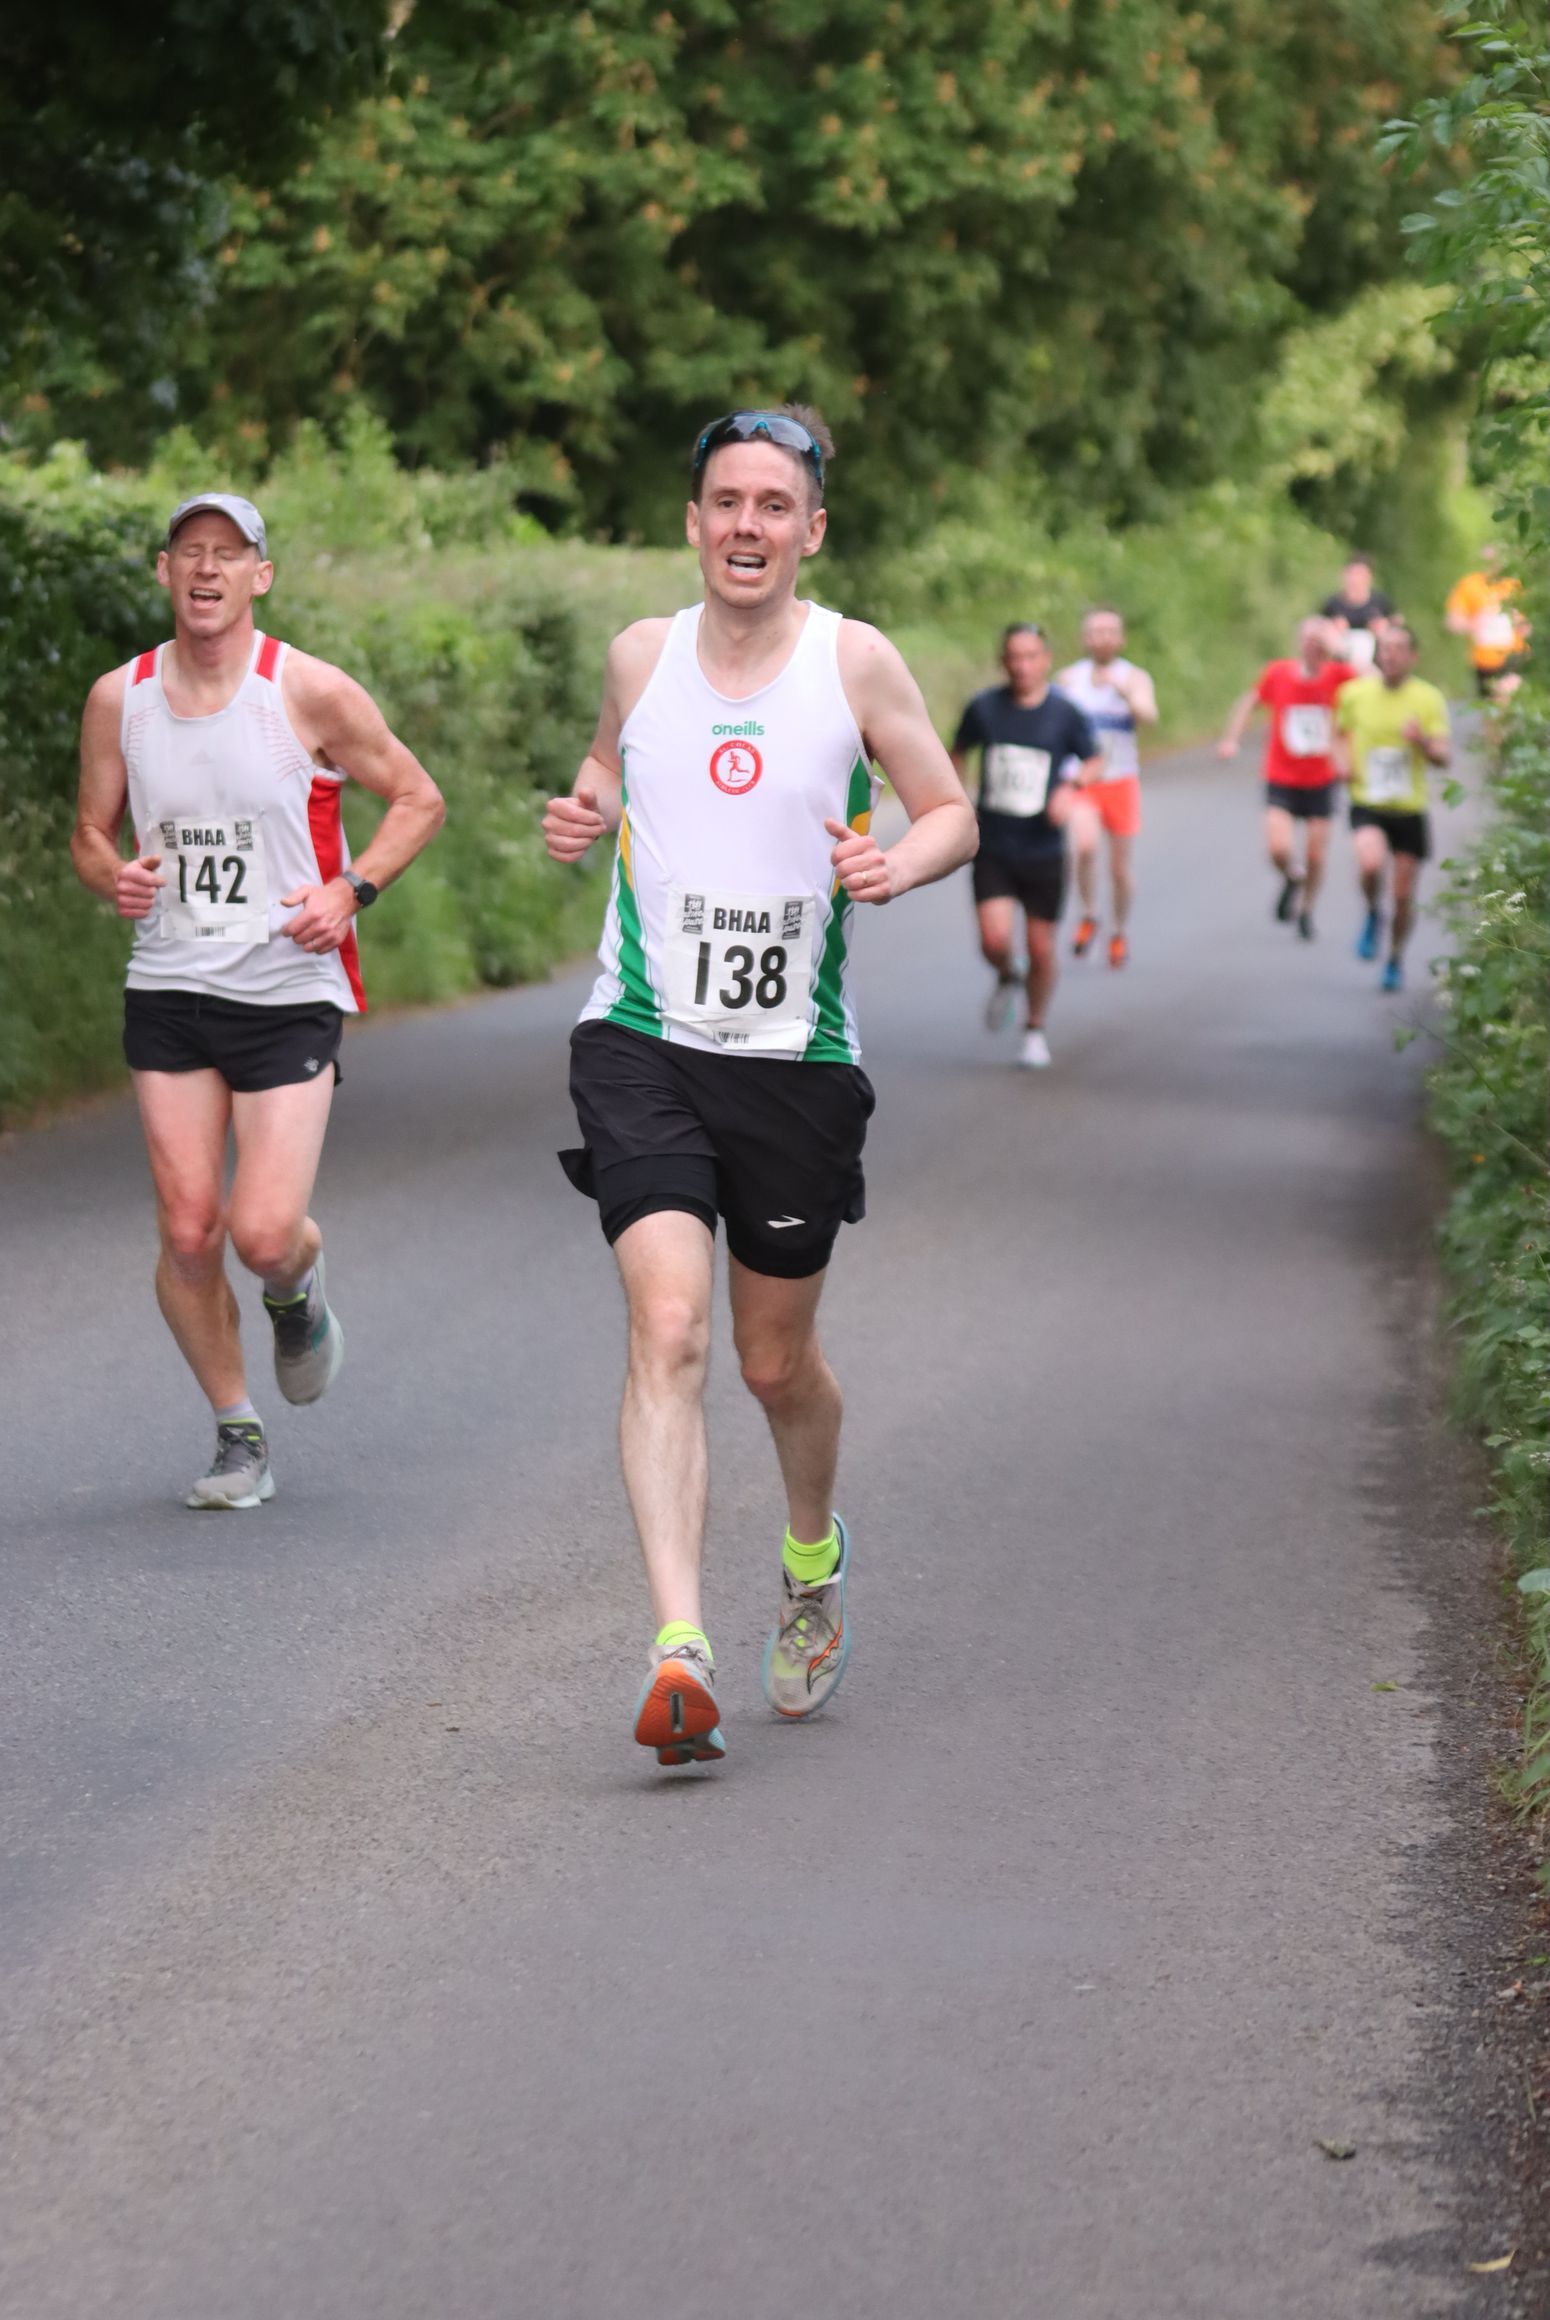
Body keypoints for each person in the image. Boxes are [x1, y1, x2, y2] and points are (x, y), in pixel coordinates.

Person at [542, 406, 976, 1769]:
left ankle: (808, 1559)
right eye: (726, 502)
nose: (747, 525)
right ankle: (679, 1647)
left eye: (773, 505)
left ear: (811, 530)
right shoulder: (639, 654)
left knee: (771, 1364)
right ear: (693, 522)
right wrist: (585, 809)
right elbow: (607, 763)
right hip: (642, 1040)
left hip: (795, 1060)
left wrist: (896, 863)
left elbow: (949, 810)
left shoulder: (855, 662)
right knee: (665, 1326)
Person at [72, 494, 445, 1510]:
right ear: (164, 571)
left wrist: (350, 889)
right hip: (169, 983)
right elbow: (90, 833)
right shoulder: (120, 699)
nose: (207, 569)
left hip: (286, 988)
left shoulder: (307, 690)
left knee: (263, 1232)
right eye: (190, 552)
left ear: (259, 576)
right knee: (190, 1232)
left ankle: (295, 1284)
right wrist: (113, 877)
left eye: (228, 554)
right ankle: (238, 1432)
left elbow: (419, 797)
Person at [950, 624, 1101, 1067]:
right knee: (994, 940)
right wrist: (955, 801)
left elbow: (1094, 758)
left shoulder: (1064, 713)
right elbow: (957, 751)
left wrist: (1070, 788)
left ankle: (1034, 1030)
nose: (1022, 666)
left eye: (1031, 656)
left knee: (1040, 947)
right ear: (1003, 661)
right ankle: (1006, 972)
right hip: (993, 844)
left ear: (1046, 659)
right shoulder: (984, 707)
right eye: (1014, 657)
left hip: (1043, 848)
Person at [1216, 617, 1355, 940]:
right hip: (1281, 774)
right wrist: (1231, 739)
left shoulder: (1340, 675)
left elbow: (1375, 685)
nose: (1313, 645)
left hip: (1322, 777)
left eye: (1319, 640)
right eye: (1308, 639)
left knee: (1316, 854)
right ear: (1298, 642)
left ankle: (1306, 910)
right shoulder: (1278, 673)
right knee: (1278, 849)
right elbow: (1248, 702)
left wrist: (1340, 649)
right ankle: (1293, 877)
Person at [1332, 620, 1451, 993]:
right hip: (1367, 801)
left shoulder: (1428, 698)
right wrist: (1342, 763)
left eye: (1399, 649)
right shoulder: (1354, 693)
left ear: (1413, 656)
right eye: (1385, 648)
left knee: (1402, 895)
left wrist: (1421, 741)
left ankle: (1395, 957)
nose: (1391, 655)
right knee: (1369, 863)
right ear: (1376, 655)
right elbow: (1338, 732)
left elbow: (1443, 757)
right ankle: (1372, 912)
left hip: (1409, 807)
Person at [1056, 607, 1158, 968]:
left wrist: (1124, 693)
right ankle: (1089, 913)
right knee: (1083, 847)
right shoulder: (1068, 679)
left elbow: (1149, 716)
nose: (1103, 637)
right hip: (1083, 779)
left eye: (1110, 631)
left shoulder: (1134, 678)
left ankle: (1118, 931)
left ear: (1121, 638)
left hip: (1121, 780)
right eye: (1096, 631)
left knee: (1119, 868)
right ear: (1085, 638)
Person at [1445, 546, 1531, 701]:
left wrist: (1519, 621)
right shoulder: (1470, 585)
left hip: (1512, 657)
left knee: (1507, 701)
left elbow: (1530, 626)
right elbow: (1453, 622)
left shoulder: (1515, 586)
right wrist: (1474, 623)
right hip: (1484, 661)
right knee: (1490, 707)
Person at [1320, 554, 1395, 673]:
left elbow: (1397, 625)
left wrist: (1383, 628)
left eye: (1360, 574)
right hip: (1342, 657)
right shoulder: (1332, 604)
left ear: (1369, 577)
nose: (1355, 579)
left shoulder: (1380, 602)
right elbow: (1319, 627)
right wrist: (1333, 629)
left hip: (1374, 659)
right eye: (1352, 574)